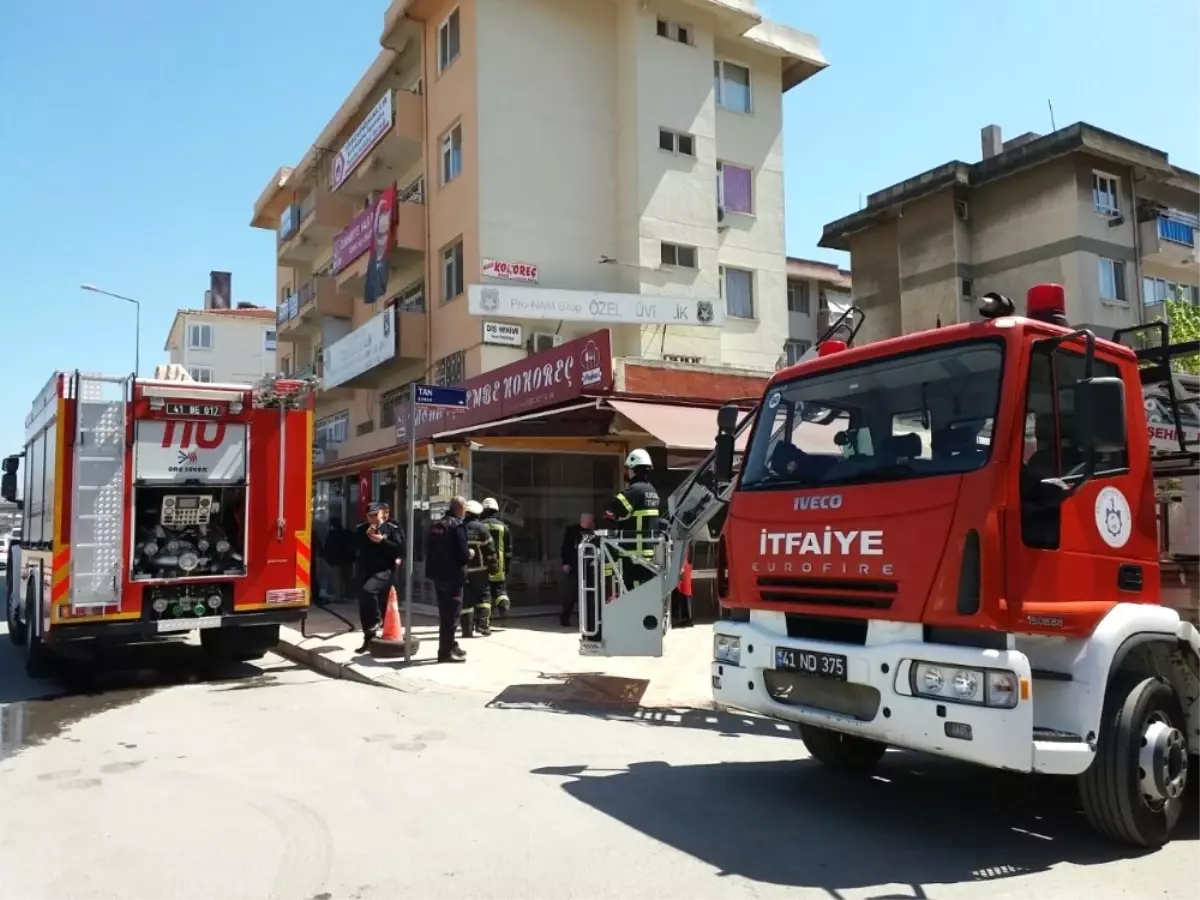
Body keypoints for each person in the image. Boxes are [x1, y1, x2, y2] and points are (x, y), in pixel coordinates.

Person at [593, 449, 661, 639]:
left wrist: (607, 516)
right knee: (644, 594)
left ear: (633, 469)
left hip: (632, 552)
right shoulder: (652, 492)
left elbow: (614, 509)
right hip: (648, 553)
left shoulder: (634, 491)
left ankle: (634, 631)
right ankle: (644, 629)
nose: (627, 473)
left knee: (631, 592)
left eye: (628, 469)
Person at [424, 496, 471, 663]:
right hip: (453, 577)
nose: (466, 513)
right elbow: (463, 554)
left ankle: (450, 645)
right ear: (460, 508)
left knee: (445, 614)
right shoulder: (457, 526)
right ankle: (444, 653)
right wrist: (470, 554)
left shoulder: (436, 525)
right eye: (465, 509)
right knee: (452, 616)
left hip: (438, 576)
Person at [353, 502, 405, 652]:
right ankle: (368, 640)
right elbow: (355, 548)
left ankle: (377, 620)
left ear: (382, 514)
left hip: (384, 571)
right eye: (370, 516)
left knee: (370, 591)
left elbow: (400, 549)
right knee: (364, 604)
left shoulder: (391, 528)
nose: (373, 518)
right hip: (366, 571)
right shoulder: (361, 529)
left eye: (376, 515)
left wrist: (382, 541)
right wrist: (366, 536)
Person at [462, 500, 498, 637]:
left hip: (464, 571)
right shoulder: (482, 529)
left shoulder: (460, 527)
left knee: (466, 600)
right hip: (481, 571)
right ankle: (482, 626)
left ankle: (467, 629)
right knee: (483, 598)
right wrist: (493, 567)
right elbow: (491, 551)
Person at [559, 512, 594, 627]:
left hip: (589, 566)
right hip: (573, 566)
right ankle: (565, 617)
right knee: (570, 594)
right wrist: (565, 563)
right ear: (584, 521)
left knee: (588, 594)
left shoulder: (593, 532)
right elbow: (565, 547)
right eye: (590, 521)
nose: (592, 523)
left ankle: (587, 620)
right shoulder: (572, 531)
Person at [480, 498, 512, 618]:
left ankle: (484, 618)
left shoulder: (480, 525)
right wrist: (506, 567)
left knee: (484, 592)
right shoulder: (504, 527)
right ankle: (504, 606)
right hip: (499, 565)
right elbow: (508, 550)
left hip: (482, 565)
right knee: (499, 590)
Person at [322, 517, 357, 603]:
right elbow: (355, 542)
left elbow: (328, 548)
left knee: (336, 578)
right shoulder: (348, 533)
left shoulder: (332, 535)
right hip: (347, 560)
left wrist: (327, 559)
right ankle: (348, 594)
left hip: (335, 561)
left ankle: (338, 595)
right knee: (347, 578)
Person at [672, 545, 694, 628]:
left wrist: (681, 569)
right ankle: (686, 618)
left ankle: (688, 618)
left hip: (683, 567)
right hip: (683, 566)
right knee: (684, 592)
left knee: (685, 592)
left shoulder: (684, 542)